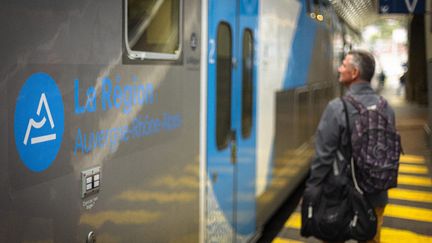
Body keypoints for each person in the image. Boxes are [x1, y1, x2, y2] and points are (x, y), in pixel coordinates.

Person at [305, 50, 396, 243]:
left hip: (342, 198)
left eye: (343, 65)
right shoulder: (385, 107)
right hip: (376, 197)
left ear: (354, 73)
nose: (339, 69)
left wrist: (313, 188)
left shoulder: (337, 107)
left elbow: (323, 156)